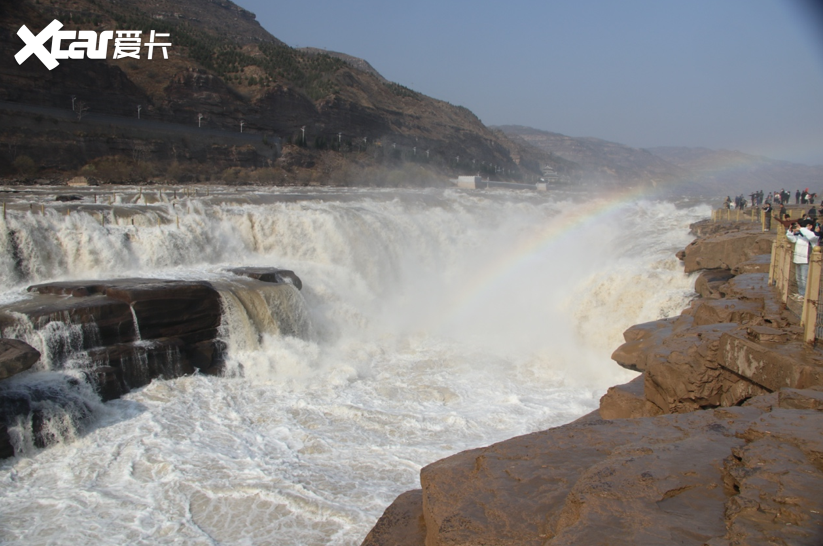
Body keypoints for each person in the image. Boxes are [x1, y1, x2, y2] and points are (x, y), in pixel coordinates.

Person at [786, 220, 819, 300]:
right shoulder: (800, 235)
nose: (800, 228)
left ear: (810, 226)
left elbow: (810, 236)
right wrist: (790, 231)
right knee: (799, 278)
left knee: (804, 278)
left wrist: (801, 229)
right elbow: (792, 239)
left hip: (805, 260)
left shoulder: (814, 236)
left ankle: (805, 294)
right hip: (798, 259)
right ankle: (801, 293)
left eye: (803, 226)